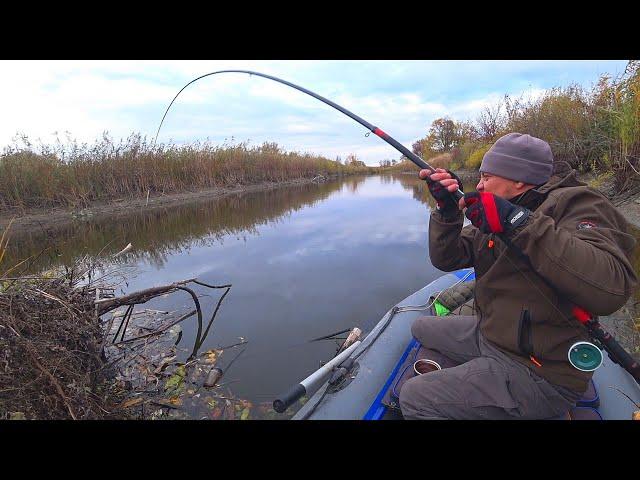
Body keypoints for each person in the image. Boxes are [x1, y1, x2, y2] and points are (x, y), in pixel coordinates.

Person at [399, 132, 638, 420]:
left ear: (519, 180)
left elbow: (611, 288)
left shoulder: (578, 203)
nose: (479, 184)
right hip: (496, 337)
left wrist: (518, 223)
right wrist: (448, 212)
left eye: (486, 176)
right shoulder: (498, 208)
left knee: (414, 397)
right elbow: (447, 258)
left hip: (541, 371)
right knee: (421, 327)